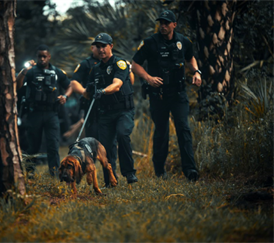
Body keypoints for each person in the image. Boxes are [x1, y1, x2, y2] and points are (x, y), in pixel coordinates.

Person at [131, 10, 202, 181]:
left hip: (178, 94)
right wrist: (148, 78)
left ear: (174, 25)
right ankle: (159, 171)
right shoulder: (150, 43)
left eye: (166, 23)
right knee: (161, 132)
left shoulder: (183, 42)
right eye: (161, 23)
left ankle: (190, 170)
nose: (163, 26)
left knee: (183, 129)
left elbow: (190, 58)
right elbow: (134, 65)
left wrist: (197, 72)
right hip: (159, 95)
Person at [84, 33, 138, 186]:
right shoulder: (95, 69)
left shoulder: (119, 63)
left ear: (111, 46)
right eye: (98, 46)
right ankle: (110, 180)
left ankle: (129, 173)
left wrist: (103, 91)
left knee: (122, 135)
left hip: (123, 110)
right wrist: (86, 94)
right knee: (106, 148)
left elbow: (117, 85)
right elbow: (88, 91)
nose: (101, 49)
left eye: (104, 46)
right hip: (105, 113)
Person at [18, 44, 72, 177]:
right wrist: (24, 70)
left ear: (49, 57)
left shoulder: (57, 72)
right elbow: (18, 85)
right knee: (33, 145)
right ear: (36, 57)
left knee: (53, 145)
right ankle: (30, 173)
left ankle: (55, 174)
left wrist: (65, 96)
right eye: (39, 56)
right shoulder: (31, 72)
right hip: (34, 113)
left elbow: (70, 85)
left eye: (44, 56)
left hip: (51, 113)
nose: (42, 59)